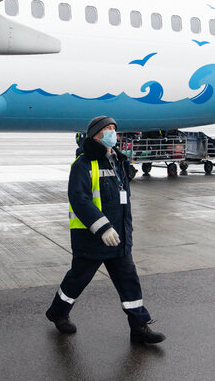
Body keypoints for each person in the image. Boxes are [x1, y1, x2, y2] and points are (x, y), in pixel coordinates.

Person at [45, 115, 165, 346]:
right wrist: (103, 228)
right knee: (77, 280)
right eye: (107, 129)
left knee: (129, 280)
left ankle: (139, 326)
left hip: (119, 238)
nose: (113, 133)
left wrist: (123, 231)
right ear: (95, 135)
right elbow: (79, 199)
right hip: (92, 239)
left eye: (114, 128)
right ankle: (58, 312)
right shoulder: (83, 164)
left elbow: (121, 199)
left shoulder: (117, 160)